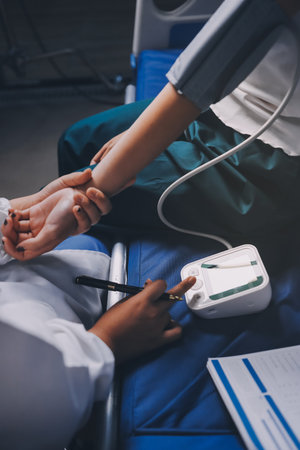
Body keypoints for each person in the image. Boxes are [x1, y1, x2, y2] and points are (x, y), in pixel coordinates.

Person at [3, 0, 300, 260]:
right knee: (76, 141)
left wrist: (86, 190)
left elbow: (203, 73)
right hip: (226, 99)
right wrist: (150, 136)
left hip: (274, 151)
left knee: (81, 199)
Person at [0, 173, 195, 449]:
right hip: (71, 374)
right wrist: (108, 340)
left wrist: (22, 212)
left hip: (50, 282)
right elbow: (26, 409)